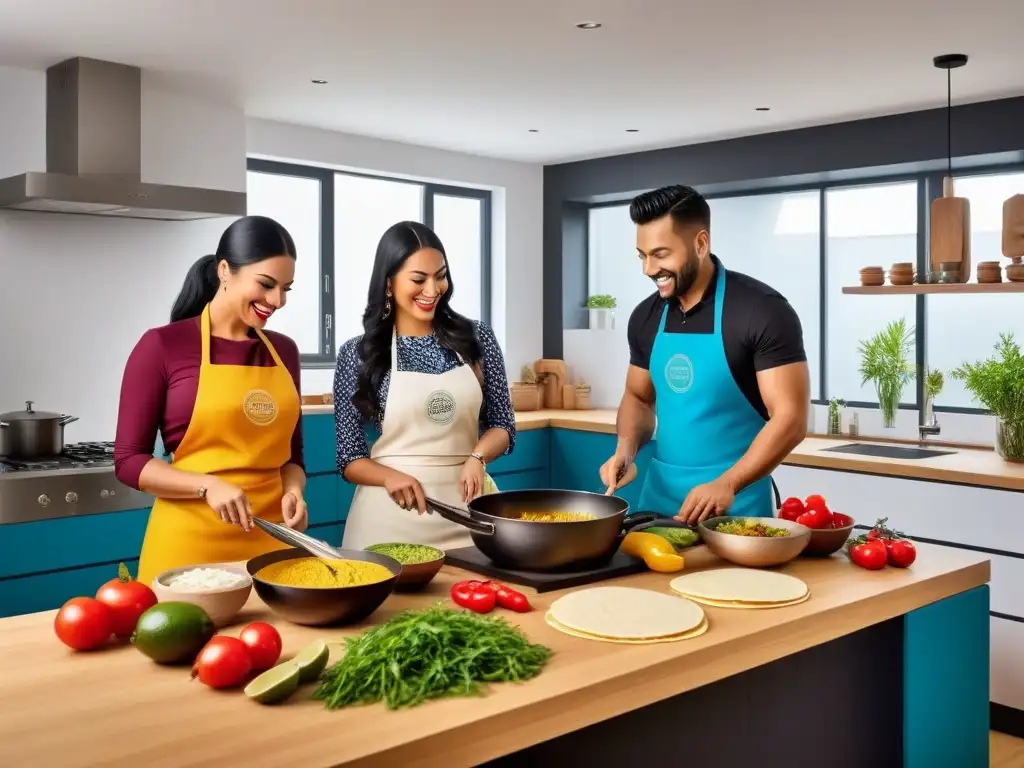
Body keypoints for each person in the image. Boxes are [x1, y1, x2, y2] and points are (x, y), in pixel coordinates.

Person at [115, 216, 308, 585]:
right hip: (189, 547)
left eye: (286, 289)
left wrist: (295, 491)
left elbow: (293, 459)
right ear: (224, 271)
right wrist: (208, 485)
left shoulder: (284, 351)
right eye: (266, 285)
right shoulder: (162, 346)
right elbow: (128, 461)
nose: (277, 301)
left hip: (273, 542)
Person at [599, 185, 809, 523]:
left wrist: (727, 483)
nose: (649, 269)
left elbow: (790, 418)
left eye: (661, 254)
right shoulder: (646, 317)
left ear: (700, 243)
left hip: (736, 508)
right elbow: (638, 397)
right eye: (642, 255)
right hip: (657, 505)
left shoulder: (761, 310)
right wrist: (626, 449)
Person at [334, 220, 516, 551]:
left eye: (441, 276)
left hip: (470, 514)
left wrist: (477, 456)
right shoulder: (357, 353)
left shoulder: (477, 338)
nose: (432, 290)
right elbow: (349, 458)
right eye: (419, 279)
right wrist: (390, 477)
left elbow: (503, 426)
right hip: (388, 518)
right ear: (389, 283)